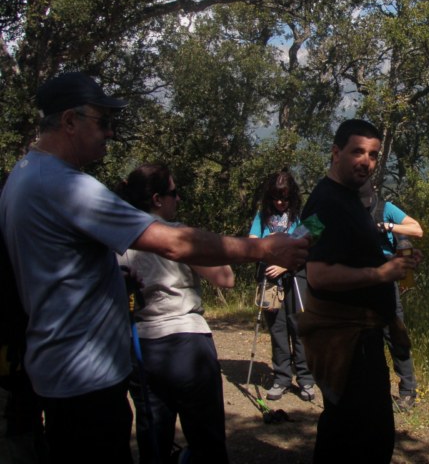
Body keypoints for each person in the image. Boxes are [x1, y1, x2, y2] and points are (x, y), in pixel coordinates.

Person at [0, 71, 309, 463]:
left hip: (57, 370)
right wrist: (263, 247)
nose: (110, 133)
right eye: (104, 122)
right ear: (69, 121)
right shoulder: (66, 186)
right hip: (85, 379)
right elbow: (175, 243)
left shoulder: (23, 175)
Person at [296, 119, 419, 464]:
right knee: (364, 436)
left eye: (373, 154)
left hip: (359, 337)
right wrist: (382, 272)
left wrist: (395, 260)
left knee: (343, 428)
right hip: (348, 341)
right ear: (336, 153)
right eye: (357, 152)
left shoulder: (342, 198)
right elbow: (318, 274)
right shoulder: (327, 202)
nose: (366, 161)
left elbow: (311, 241)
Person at [116, 164, 233, 464]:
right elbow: (225, 278)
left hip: (140, 349)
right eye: (174, 193)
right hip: (187, 344)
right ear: (157, 199)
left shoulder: (117, 239)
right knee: (207, 441)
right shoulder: (178, 234)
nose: (178, 199)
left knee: (154, 442)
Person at [248, 169, 315, 402]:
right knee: (277, 328)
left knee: (298, 326)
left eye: (285, 198)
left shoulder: (301, 214)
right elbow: (252, 241)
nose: (280, 202)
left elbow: (310, 239)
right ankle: (281, 377)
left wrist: (284, 265)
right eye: (276, 197)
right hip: (268, 276)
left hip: (296, 275)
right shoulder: (262, 215)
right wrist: (268, 255)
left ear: (292, 196)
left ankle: (306, 379)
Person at [359, 182, 423, 412]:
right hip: (359, 279)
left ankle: (407, 391)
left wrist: (387, 226)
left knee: (395, 334)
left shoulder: (385, 208)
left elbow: (416, 229)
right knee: (365, 337)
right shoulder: (347, 209)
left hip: (386, 278)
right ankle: (372, 391)